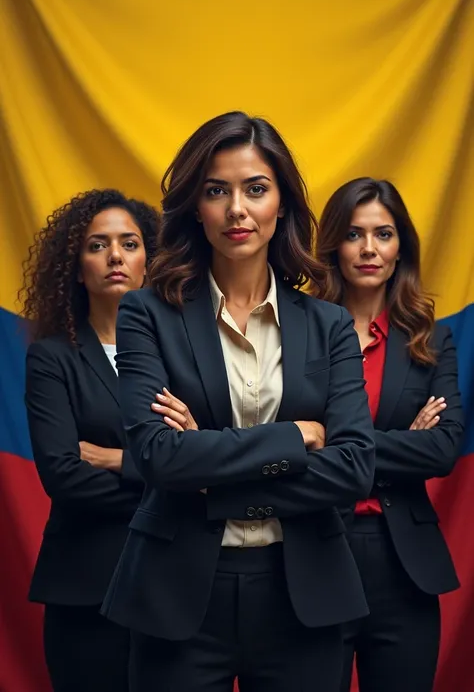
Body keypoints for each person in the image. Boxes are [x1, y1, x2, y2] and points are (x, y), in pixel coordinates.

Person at [101, 111, 376, 692]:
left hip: (304, 593)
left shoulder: (329, 325)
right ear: (195, 208)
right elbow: (155, 456)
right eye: (216, 191)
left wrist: (207, 464)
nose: (237, 210)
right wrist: (293, 436)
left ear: (282, 205)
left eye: (256, 189)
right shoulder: (147, 314)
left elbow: (355, 467)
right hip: (176, 596)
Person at [315, 177, 464, 692]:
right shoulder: (297, 333)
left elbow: (443, 449)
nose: (370, 249)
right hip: (315, 550)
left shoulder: (430, 339)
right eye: (355, 234)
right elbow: (280, 442)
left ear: (402, 248)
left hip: (402, 562)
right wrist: (403, 443)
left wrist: (331, 439)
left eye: (384, 234)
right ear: (334, 245)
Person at [20, 189, 160, 692]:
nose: (116, 256)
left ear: (151, 262)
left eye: (129, 243)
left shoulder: (183, 356)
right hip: (85, 584)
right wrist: (170, 485)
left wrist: (116, 459)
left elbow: (210, 461)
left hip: (172, 586)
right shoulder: (52, 358)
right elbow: (63, 476)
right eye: (98, 245)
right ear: (77, 268)